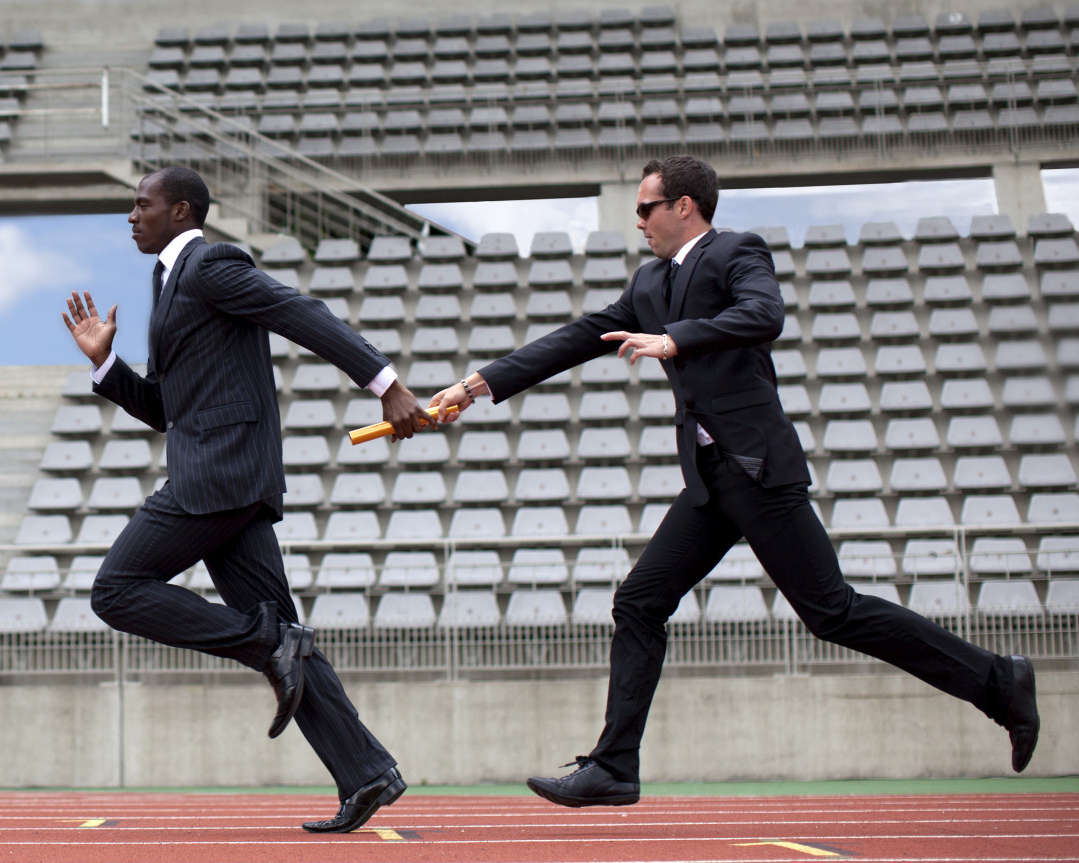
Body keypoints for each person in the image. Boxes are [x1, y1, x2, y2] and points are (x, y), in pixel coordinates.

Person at [426, 155, 1041, 807]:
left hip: (757, 467)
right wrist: (475, 385)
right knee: (639, 601)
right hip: (710, 478)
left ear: (683, 206)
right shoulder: (649, 282)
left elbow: (763, 315)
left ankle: (998, 680)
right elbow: (578, 337)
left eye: (645, 208)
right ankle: (614, 767)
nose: (639, 222)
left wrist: (674, 341)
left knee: (832, 612)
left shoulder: (736, 252)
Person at [61, 166, 429, 833]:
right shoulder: (167, 283)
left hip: (218, 476)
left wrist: (386, 385)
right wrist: (106, 366)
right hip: (222, 474)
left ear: (181, 211)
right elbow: (166, 410)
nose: (131, 216)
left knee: (116, 590)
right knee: (291, 642)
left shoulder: (209, 265)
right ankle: (366, 771)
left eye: (142, 205)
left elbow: (302, 314)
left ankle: (263, 640)